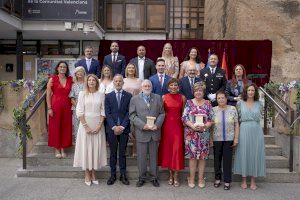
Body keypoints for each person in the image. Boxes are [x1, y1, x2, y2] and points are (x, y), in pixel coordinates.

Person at [129, 80, 165, 187]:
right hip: (141, 132)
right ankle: (142, 177)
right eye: (145, 85)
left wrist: (157, 125)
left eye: (149, 85)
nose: (147, 87)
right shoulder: (134, 99)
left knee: (154, 156)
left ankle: (154, 177)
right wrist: (142, 125)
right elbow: (132, 115)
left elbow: (162, 113)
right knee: (141, 157)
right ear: (141, 87)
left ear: (152, 87)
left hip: (154, 132)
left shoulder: (158, 97)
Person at [73, 74, 107, 186]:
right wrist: (86, 126)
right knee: (86, 148)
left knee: (95, 149)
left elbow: (103, 111)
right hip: (85, 125)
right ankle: (87, 173)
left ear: (97, 83)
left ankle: (93, 173)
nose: (91, 82)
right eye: (90, 80)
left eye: (94, 80)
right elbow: (79, 111)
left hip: (98, 125)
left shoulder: (101, 95)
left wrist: (99, 125)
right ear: (86, 82)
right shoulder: (82, 94)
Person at [233, 83, 266, 190]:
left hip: (256, 130)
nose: (251, 92)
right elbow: (237, 119)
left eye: (253, 90)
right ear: (245, 92)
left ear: (255, 92)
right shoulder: (239, 103)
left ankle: (253, 180)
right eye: (249, 90)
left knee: (255, 153)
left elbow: (260, 117)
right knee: (243, 152)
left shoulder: (260, 103)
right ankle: (243, 180)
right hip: (244, 129)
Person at [182, 82, 213, 188]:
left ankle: (200, 179)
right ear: (193, 92)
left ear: (203, 92)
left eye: (200, 90)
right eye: (196, 90)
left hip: (204, 135)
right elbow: (184, 118)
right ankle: (191, 178)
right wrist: (192, 126)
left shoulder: (208, 103)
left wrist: (205, 127)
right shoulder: (189, 102)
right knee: (192, 157)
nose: (198, 92)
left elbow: (211, 119)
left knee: (202, 158)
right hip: (191, 134)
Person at [105, 74, 132, 186]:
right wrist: (114, 127)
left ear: (123, 82)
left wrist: (122, 126)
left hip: (124, 129)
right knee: (112, 153)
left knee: (122, 153)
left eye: (120, 81)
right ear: (113, 83)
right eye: (116, 81)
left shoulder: (129, 96)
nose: (118, 83)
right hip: (111, 129)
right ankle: (112, 175)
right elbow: (108, 113)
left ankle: (123, 175)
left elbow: (129, 112)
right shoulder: (108, 96)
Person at [158, 78, 185, 187]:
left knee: (177, 150)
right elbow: (161, 113)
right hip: (166, 126)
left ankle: (176, 175)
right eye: (171, 85)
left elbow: (183, 113)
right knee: (168, 150)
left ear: (178, 87)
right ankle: (170, 174)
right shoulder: (163, 97)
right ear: (168, 87)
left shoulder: (182, 97)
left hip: (178, 127)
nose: (173, 87)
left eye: (175, 85)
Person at [211, 90, 239, 190]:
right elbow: (211, 125)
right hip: (216, 138)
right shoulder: (213, 110)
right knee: (217, 160)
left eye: (223, 97)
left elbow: (236, 124)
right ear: (216, 100)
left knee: (227, 160)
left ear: (226, 98)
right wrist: (210, 139)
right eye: (219, 98)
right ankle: (217, 179)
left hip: (229, 138)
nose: (221, 99)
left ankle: (227, 181)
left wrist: (236, 138)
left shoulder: (233, 109)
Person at [46, 61, 73, 159]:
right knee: (55, 126)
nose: (62, 68)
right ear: (57, 68)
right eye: (60, 67)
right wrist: (49, 108)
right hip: (55, 105)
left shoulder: (70, 79)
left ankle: (63, 147)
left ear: (66, 69)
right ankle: (56, 148)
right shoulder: (52, 79)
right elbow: (48, 94)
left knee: (66, 127)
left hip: (67, 106)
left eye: (64, 67)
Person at [123, 63, 143, 157]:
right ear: (126, 70)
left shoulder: (139, 81)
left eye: (132, 68)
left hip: (136, 107)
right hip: (124, 107)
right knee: (125, 128)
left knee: (135, 129)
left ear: (135, 70)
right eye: (129, 68)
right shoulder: (123, 80)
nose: (131, 69)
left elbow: (142, 95)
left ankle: (135, 150)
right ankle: (124, 151)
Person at [69, 66, 86, 141]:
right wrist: (78, 106)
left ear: (84, 73)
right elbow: (72, 98)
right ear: (75, 74)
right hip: (76, 108)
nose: (79, 73)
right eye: (78, 72)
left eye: (81, 71)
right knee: (77, 125)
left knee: (85, 124)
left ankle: (85, 140)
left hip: (87, 108)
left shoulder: (87, 83)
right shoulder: (73, 85)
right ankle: (77, 140)